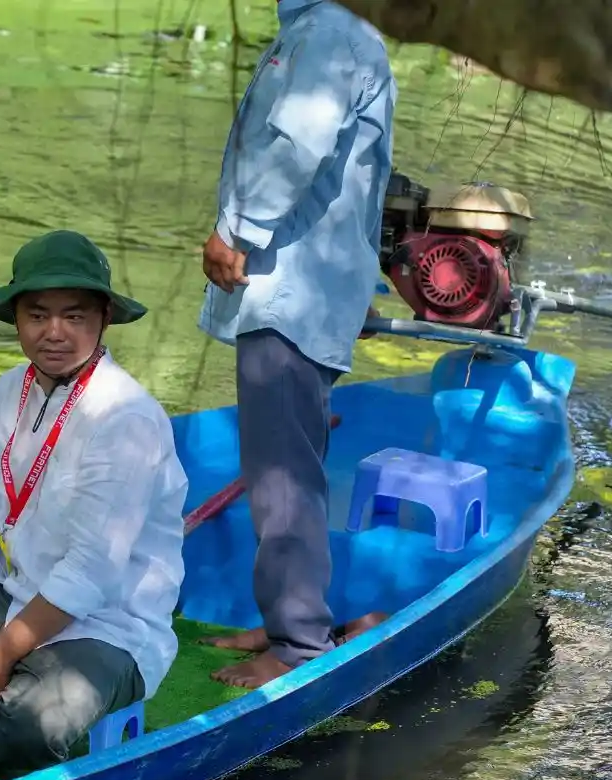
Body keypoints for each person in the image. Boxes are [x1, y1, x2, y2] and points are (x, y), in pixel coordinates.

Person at [0, 230, 189, 780]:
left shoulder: (126, 419)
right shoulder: (7, 390)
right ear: (16, 319)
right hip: (7, 589)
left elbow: (89, 573)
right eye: (37, 314)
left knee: (36, 726)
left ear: (103, 318)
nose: (55, 333)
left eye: (74, 316)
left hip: (105, 629)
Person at [197, 0, 396, 688]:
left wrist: (238, 229)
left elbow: (294, 144)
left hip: (289, 291)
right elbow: (359, 178)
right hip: (315, 289)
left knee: (282, 476)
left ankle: (297, 646)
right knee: (289, 463)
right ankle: (289, 613)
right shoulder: (340, 29)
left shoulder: (326, 30)